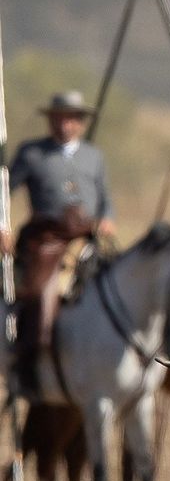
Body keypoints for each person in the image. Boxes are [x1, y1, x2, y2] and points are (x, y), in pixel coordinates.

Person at [3, 91, 116, 393]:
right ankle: (28, 362)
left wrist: (108, 218)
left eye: (71, 118)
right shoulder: (31, 153)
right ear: (50, 120)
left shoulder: (94, 156)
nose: (64, 124)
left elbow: (106, 199)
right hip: (46, 240)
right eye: (59, 118)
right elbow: (4, 191)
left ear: (81, 122)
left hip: (86, 239)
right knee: (39, 293)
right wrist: (2, 227)